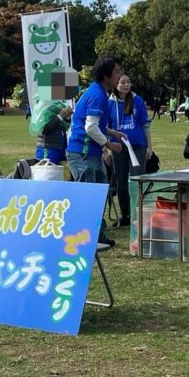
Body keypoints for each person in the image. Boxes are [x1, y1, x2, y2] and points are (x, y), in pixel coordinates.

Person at [66, 57, 126, 247]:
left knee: (99, 196)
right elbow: (90, 127)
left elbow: (95, 124)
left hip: (90, 154)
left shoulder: (100, 93)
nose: (120, 75)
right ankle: (84, 239)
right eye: (117, 72)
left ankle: (98, 237)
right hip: (82, 154)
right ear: (106, 75)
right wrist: (109, 145)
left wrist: (111, 132)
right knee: (88, 198)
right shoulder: (98, 95)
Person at [108, 74, 152, 228]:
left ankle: (139, 214)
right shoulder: (109, 103)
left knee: (137, 180)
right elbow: (104, 127)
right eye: (122, 82)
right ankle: (126, 215)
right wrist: (104, 149)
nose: (126, 85)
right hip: (118, 147)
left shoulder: (137, 100)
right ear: (116, 84)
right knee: (121, 182)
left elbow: (145, 124)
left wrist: (149, 146)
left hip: (138, 146)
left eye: (128, 82)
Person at [33, 101, 73, 165]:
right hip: (48, 149)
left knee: (56, 173)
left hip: (58, 148)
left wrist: (67, 117)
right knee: (46, 172)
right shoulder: (44, 105)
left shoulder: (59, 104)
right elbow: (43, 129)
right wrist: (60, 116)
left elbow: (63, 127)